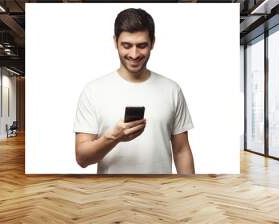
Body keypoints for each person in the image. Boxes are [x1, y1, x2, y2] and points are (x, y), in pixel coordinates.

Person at [73, 8, 195, 174]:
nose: (134, 54)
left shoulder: (172, 90)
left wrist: (189, 192)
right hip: (109, 196)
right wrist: (114, 137)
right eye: (126, 45)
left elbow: (181, 151)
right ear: (115, 42)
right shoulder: (93, 91)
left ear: (153, 42)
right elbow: (82, 158)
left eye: (142, 46)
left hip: (160, 196)